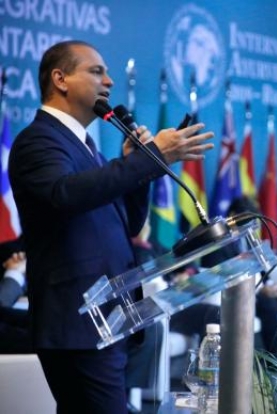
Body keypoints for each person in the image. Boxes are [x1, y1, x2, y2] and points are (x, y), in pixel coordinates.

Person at [8, 40, 215, 413]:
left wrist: (140, 168)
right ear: (60, 79)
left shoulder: (88, 148)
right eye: (96, 71)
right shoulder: (37, 140)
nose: (110, 81)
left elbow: (127, 223)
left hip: (107, 321)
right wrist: (152, 158)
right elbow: (65, 194)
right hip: (78, 322)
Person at [228, 196, 277, 362]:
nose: (251, 226)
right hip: (239, 293)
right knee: (269, 304)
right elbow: (223, 273)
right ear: (233, 215)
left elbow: (261, 270)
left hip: (259, 288)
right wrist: (261, 289)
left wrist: (269, 284)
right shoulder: (222, 243)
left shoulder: (250, 239)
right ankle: (274, 357)